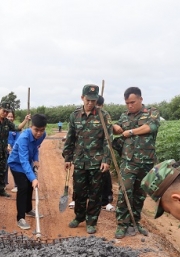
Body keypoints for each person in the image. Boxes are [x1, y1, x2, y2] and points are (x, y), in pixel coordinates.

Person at [62, 84, 112, 234]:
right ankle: (79, 216)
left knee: (95, 193)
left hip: (97, 162)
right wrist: (67, 157)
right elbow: (70, 138)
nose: (90, 103)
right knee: (79, 191)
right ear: (82, 98)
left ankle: (91, 221)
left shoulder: (104, 116)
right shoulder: (75, 115)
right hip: (79, 161)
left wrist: (106, 160)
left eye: (93, 100)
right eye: (88, 100)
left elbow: (107, 140)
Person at [113, 87, 160, 239]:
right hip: (128, 161)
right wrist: (114, 126)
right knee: (125, 191)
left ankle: (135, 222)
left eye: (132, 102)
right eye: (127, 103)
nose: (130, 106)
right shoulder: (124, 116)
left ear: (140, 99)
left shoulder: (152, 112)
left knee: (140, 194)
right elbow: (117, 129)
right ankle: (122, 224)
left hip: (146, 161)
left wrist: (131, 132)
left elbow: (150, 127)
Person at [8, 114, 47, 230]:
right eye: (36, 130)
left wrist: (36, 159)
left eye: (42, 130)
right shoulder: (23, 138)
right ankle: (20, 218)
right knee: (23, 187)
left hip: (27, 163)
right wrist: (34, 178)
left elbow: (35, 147)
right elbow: (23, 161)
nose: (39, 133)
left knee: (30, 186)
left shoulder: (42, 135)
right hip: (16, 164)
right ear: (31, 126)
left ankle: (28, 209)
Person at [0, 101, 30, 201]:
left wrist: (25, 120)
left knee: (1, 171)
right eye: (4, 111)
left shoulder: (7, 122)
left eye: (7, 112)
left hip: (3, 151)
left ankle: (1, 189)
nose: (5, 113)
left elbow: (17, 128)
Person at [96, 95, 115, 211]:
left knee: (105, 175)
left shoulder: (105, 116)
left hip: (102, 152)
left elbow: (109, 136)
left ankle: (106, 200)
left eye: (98, 105)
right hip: (88, 154)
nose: (96, 107)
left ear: (102, 105)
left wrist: (106, 157)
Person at [6, 110, 21, 192]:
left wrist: (12, 148)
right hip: (4, 150)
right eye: (8, 116)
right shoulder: (3, 127)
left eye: (11, 117)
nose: (10, 118)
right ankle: (3, 184)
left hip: (13, 151)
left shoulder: (15, 128)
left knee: (15, 167)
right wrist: (6, 146)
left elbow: (18, 140)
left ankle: (17, 185)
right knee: (3, 167)